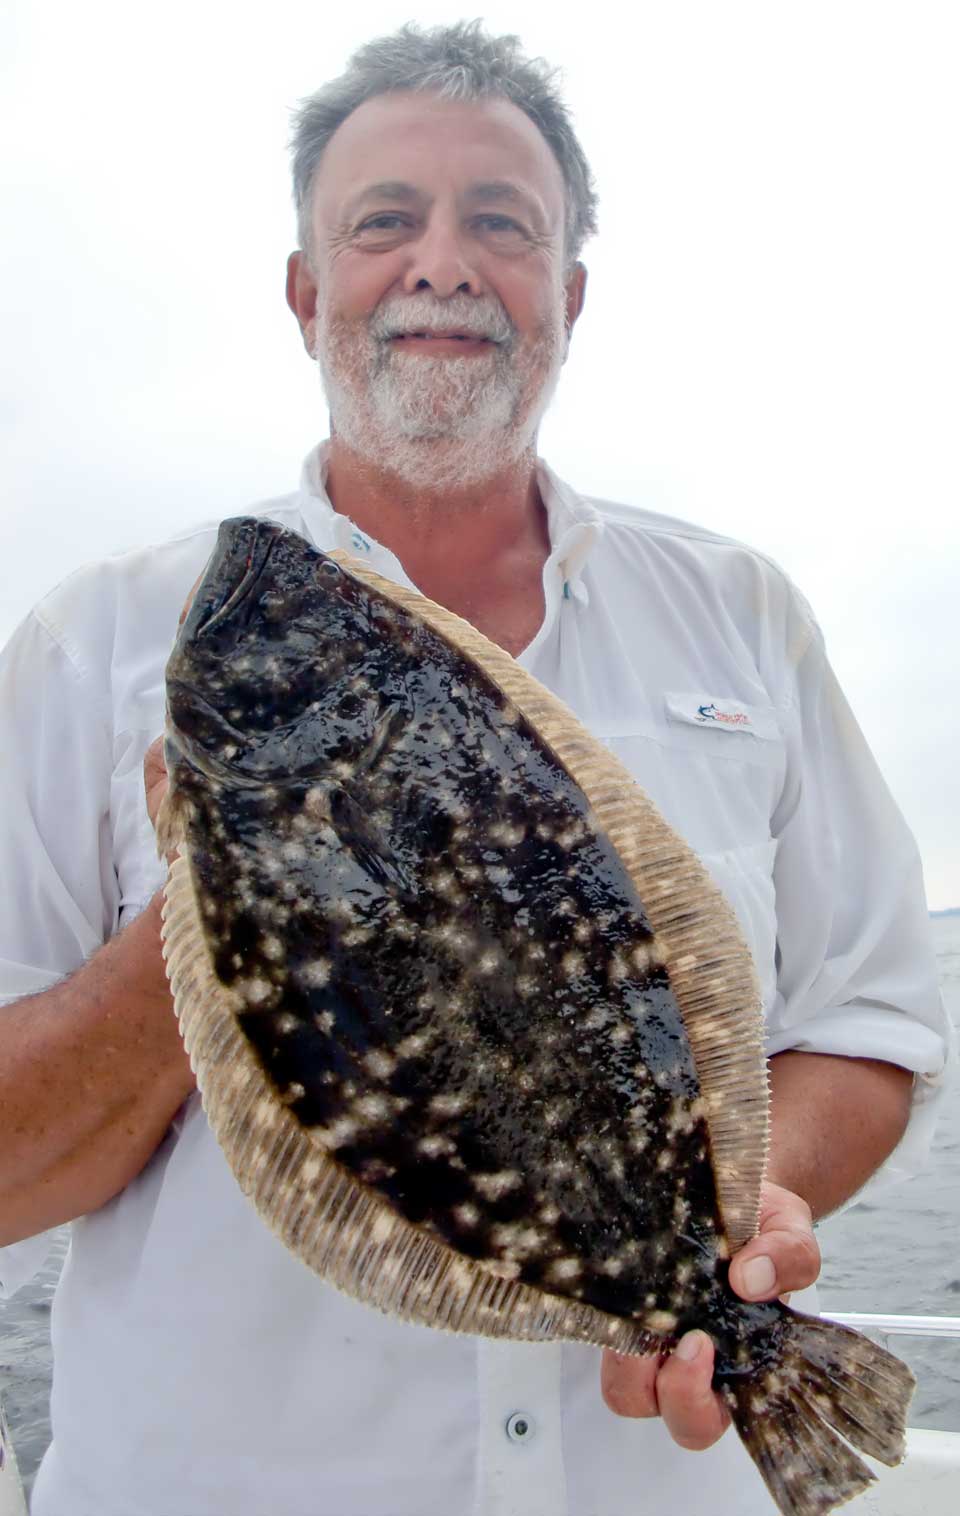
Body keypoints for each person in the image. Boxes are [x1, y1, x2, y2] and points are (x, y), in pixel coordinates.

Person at [0, 21, 949, 1516]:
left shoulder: (741, 617)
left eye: (499, 224)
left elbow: (874, 1011)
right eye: (387, 221)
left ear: (566, 295)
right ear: (308, 291)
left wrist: (748, 1228)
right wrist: (253, 909)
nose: (442, 262)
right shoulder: (88, 644)